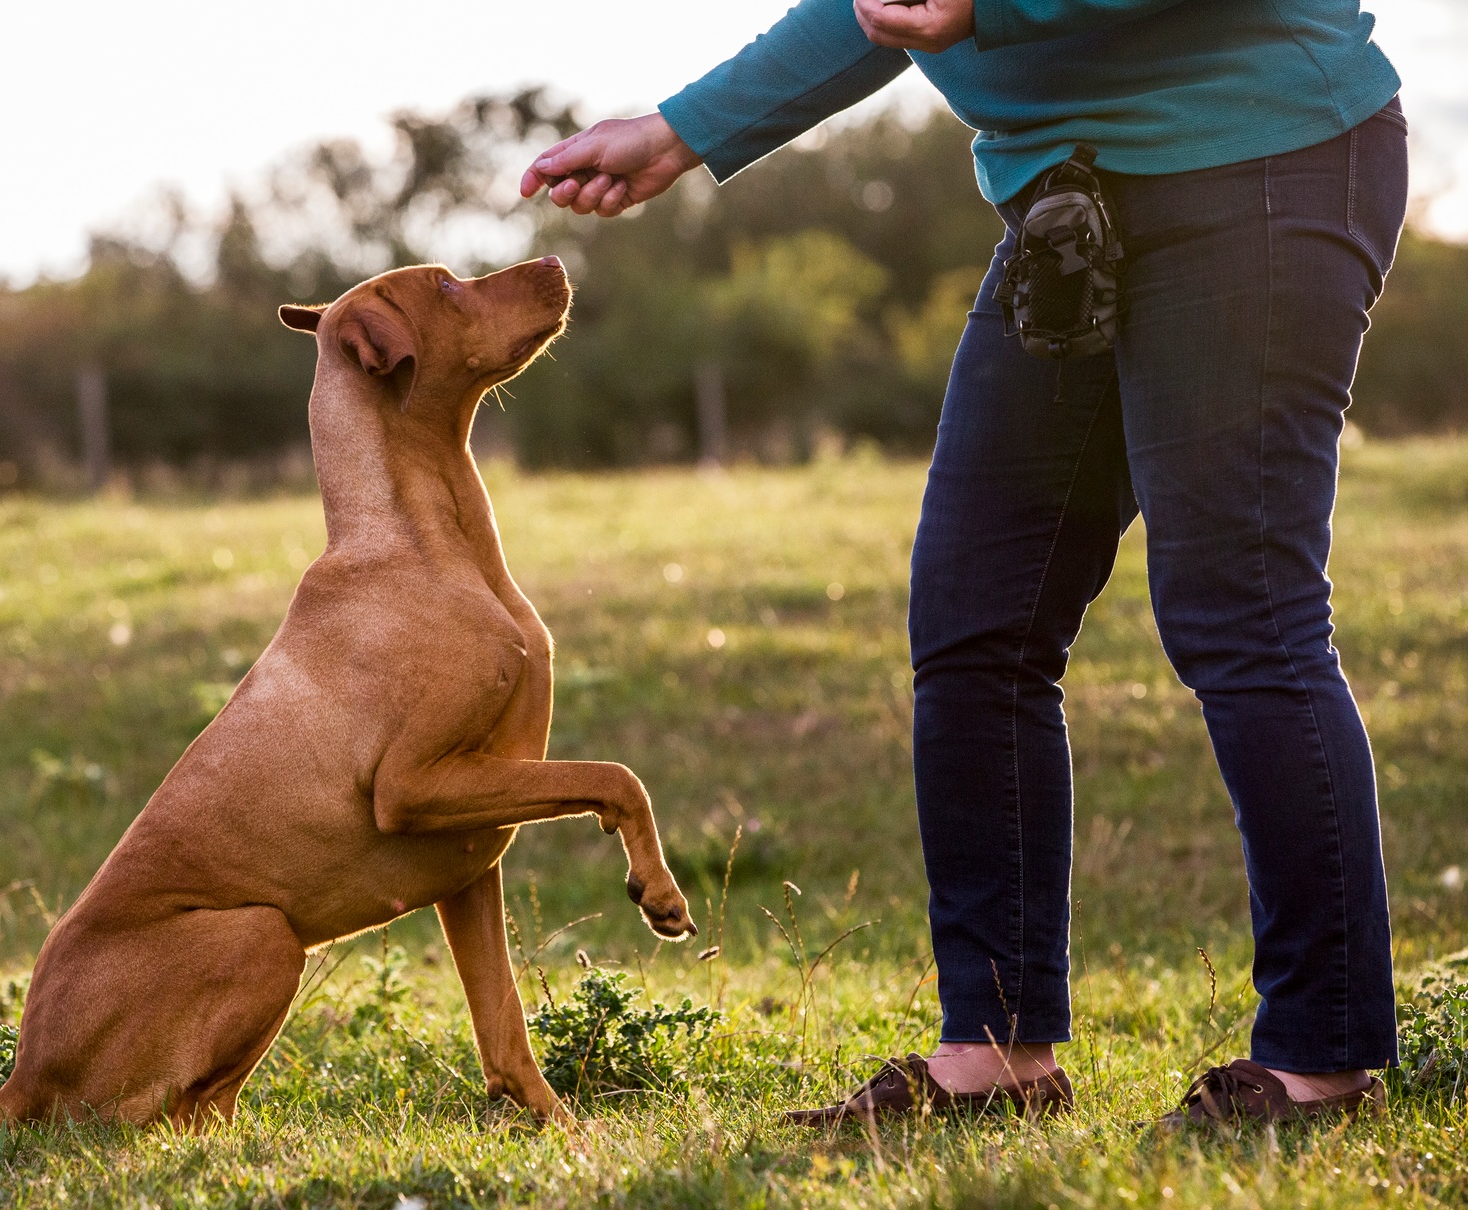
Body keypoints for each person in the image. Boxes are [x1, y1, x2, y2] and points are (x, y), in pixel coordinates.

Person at [521, 0, 1406, 1126]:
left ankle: (1317, 1062)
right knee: (974, 621)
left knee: (1244, 611)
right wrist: (683, 128)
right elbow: (882, 8)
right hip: (1066, 202)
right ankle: (995, 1053)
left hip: (1258, 162)